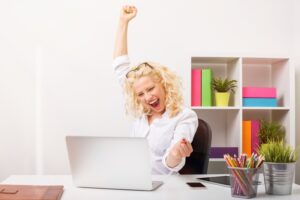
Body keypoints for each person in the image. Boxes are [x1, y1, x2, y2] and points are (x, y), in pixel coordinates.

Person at [112, 5, 198, 175]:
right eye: (141, 94)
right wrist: (123, 22)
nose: (147, 97)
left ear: (164, 84)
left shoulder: (185, 116)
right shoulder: (141, 112)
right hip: (132, 179)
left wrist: (175, 153)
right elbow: (120, 66)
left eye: (150, 89)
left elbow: (171, 164)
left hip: (162, 187)